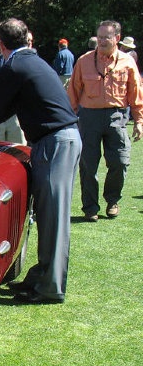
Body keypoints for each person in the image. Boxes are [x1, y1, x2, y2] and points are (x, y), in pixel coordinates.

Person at [0, 18, 82, 304]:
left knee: (52, 217)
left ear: (0, 45)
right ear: (26, 37)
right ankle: (40, 277)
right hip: (57, 140)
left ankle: (50, 288)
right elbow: (7, 107)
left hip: (55, 142)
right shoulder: (34, 61)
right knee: (44, 213)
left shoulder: (14, 66)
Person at [67, 20, 143, 222]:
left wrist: (138, 121)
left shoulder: (127, 62)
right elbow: (73, 91)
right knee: (88, 165)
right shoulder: (84, 61)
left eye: (106, 37)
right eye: (99, 37)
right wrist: (69, 120)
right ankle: (90, 207)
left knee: (120, 161)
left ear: (117, 38)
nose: (101, 41)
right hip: (88, 117)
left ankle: (112, 200)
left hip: (117, 117)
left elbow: (136, 93)